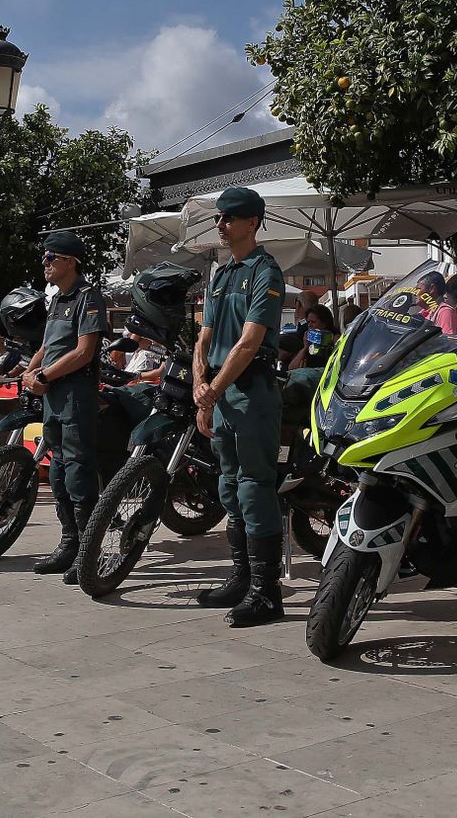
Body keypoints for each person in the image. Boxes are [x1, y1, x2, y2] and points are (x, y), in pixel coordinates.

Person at [193, 186, 287, 627]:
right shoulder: (222, 275)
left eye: (229, 218)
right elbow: (204, 337)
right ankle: (241, 576)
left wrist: (212, 389)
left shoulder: (265, 271)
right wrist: (201, 386)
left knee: (254, 486)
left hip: (251, 392)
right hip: (221, 392)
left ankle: (267, 592)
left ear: (253, 222)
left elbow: (250, 342)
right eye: (219, 218)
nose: (221, 225)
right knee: (229, 485)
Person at [22, 230, 107, 583]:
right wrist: (29, 370)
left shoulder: (89, 297)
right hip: (53, 393)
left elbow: (84, 351)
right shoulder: (56, 299)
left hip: (74, 391)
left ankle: (88, 551)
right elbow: (47, 344)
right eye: (44, 257)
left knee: (78, 470)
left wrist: (44, 374)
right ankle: (69, 542)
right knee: (57, 469)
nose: (45, 263)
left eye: (51, 257)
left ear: (71, 261)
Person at [288, 304, 339, 370]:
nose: (309, 325)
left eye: (313, 322)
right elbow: (291, 368)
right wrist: (305, 348)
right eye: (308, 322)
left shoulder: (334, 338)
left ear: (324, 324)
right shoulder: (309, 342)